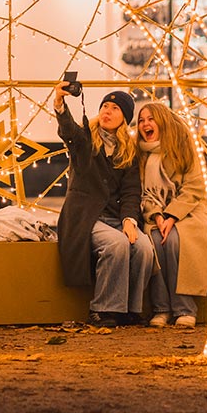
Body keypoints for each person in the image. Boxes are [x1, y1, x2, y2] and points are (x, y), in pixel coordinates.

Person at [51, 83, 149, 326]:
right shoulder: (85, 139)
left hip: (116, 218)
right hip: (87, 218)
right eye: (105, 106)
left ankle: (130, 309)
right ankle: (103, 309)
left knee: (144, 247)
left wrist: (129, 220)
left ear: (124, 118)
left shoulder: (128, 151)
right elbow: (68, 131)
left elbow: (131, 190)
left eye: (115, 108)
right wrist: (60, 104)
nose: (107, 111)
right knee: (117, 245)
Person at [135, 101, 207, 328]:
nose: (145, 124)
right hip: (153, 213)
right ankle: (162, 309)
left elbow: (195, 187)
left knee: (175, 241)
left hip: (187, 212)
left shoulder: (183, 146)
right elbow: (143, 193)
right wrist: (158, 216)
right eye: (141, 120)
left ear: (162, 122)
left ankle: (184, 309)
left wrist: (171, 216)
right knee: (154, 242)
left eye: (150, 119)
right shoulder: (140, 154)